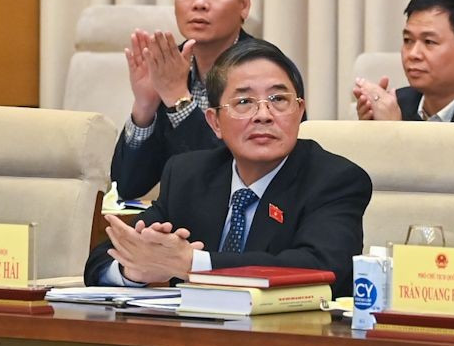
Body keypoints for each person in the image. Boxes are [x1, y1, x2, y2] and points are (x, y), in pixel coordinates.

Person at [87, 38, 371, 295]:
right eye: (244, 102)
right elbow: (101, 262)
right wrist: (136, 269)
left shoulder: (335, 180)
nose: (264, 115)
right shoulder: (189, 175)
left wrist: (193, 263)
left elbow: (322, 267)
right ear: (214, 122)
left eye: (279, 100)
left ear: (299, 112)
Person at [110, 0, 261, 200]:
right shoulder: (171, 65)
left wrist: (179, 100)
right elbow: (127, 186)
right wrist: (145, 109)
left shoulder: (264, 71)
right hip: (175, 222)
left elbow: (235, 180)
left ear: (244, 5)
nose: (199, 3)